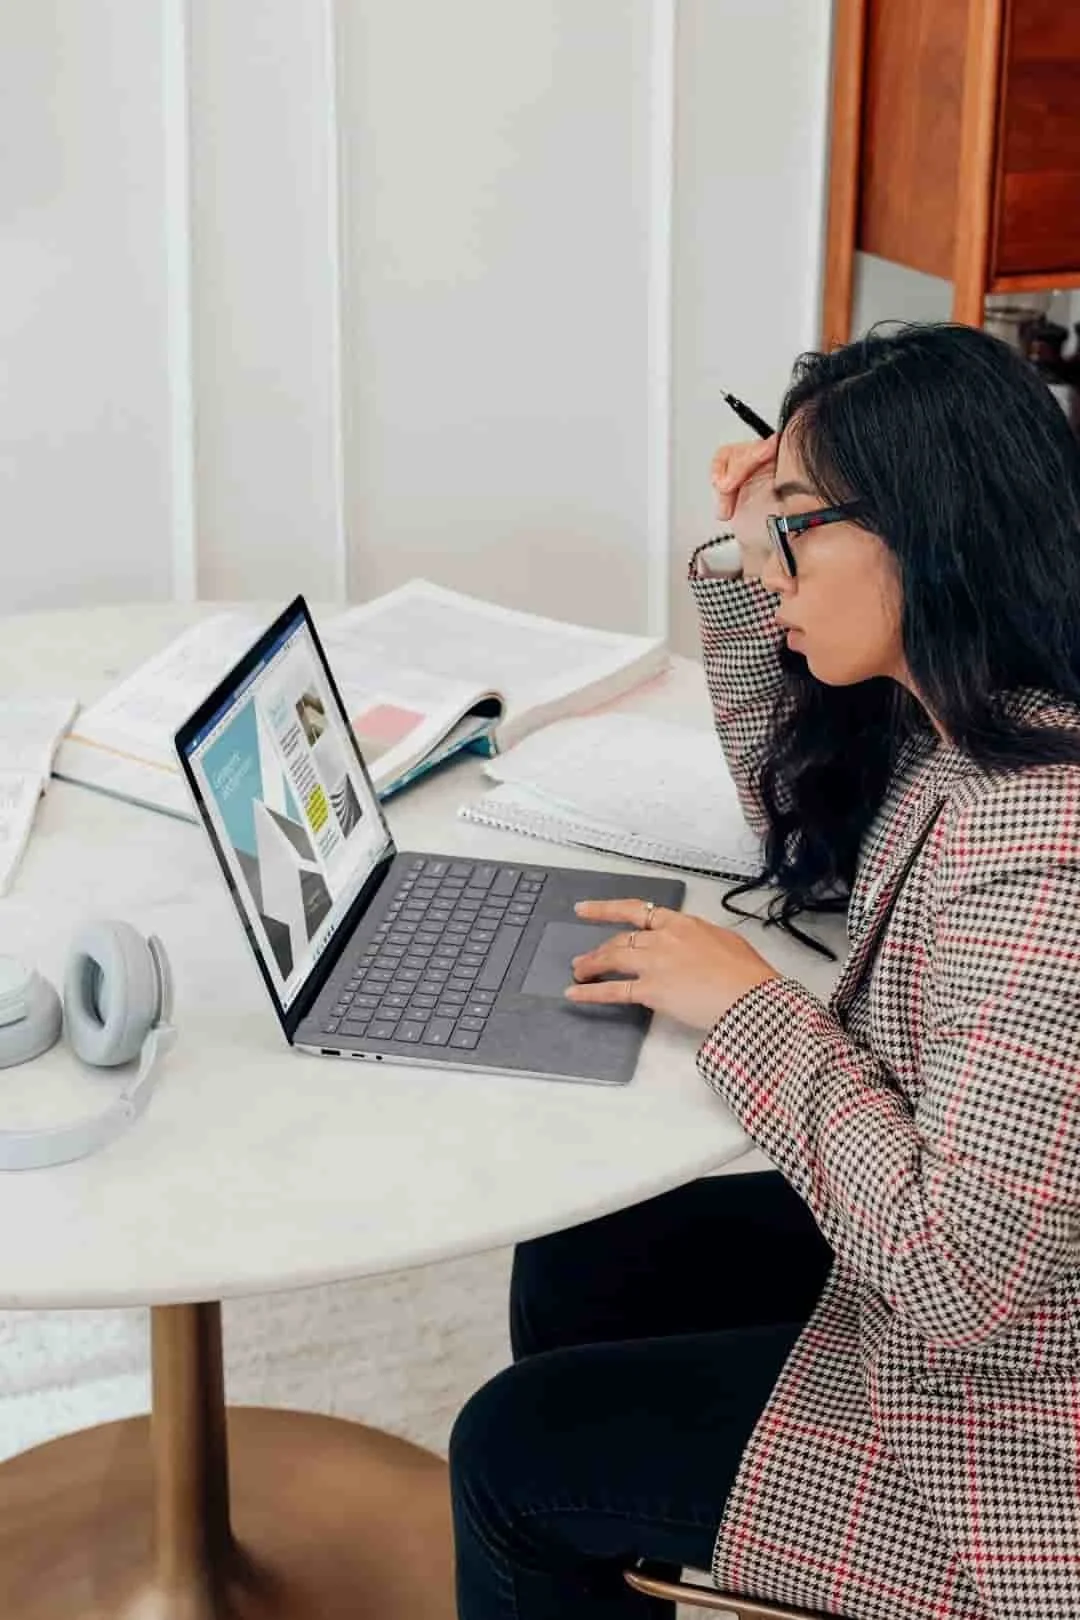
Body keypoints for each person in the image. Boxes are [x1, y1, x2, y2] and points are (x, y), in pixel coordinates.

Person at [448, 323, 1080, 1620]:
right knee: (585, 1244)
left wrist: (748, 1007)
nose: (764, 551)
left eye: (793, 522)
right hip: (974, 1292)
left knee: (513, 1454)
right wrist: (754, 569)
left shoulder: (1043, 850)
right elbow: (798, 812)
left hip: (1009, 1438)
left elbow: (956, 1279)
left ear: (927, 528)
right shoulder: (977, 712)